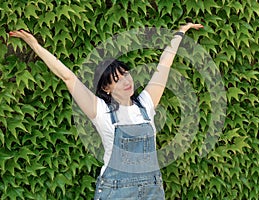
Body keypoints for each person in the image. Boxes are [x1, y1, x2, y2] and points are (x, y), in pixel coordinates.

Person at [9, 22, 203, 199]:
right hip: (117, 192)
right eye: (117, 80)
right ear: (106, 88)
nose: (126, 81)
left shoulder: (146, 104)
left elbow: (164, 64)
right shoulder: (101, 111)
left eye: (126, 74)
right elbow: (68, 77)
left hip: (152, 191)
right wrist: (35, 45)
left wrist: (180, 33)